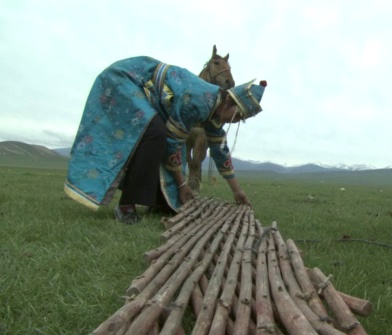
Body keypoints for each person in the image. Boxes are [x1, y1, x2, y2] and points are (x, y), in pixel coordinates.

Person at [64, 56, 267, 224]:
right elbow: (172, 144)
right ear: (229, 101)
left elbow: (220, 151)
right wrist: (182, 185)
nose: (234, 121)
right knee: (156, 133)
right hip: (127, 79)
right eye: (237, 116)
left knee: (160, 136)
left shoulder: (215, 114)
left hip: (147, 95)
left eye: (240, 120)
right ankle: (126, 205)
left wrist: (237, 191)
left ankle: (158, 201)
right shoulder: (198, 100)